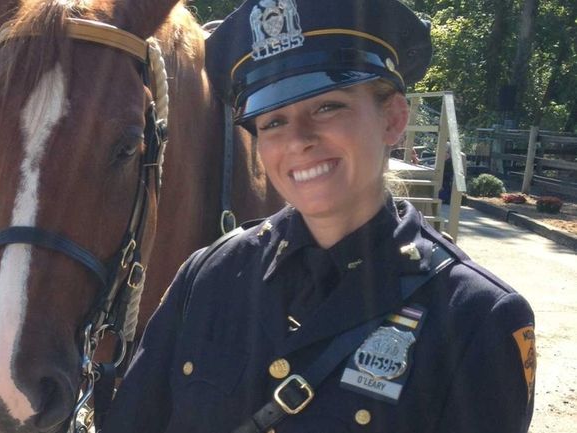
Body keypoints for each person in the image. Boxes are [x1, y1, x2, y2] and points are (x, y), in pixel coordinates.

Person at [102, 0, 536, 432]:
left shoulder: (477, 319)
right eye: (273, 122)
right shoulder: (206, 277)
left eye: (327, 107)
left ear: (394, 119)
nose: (299, 140)